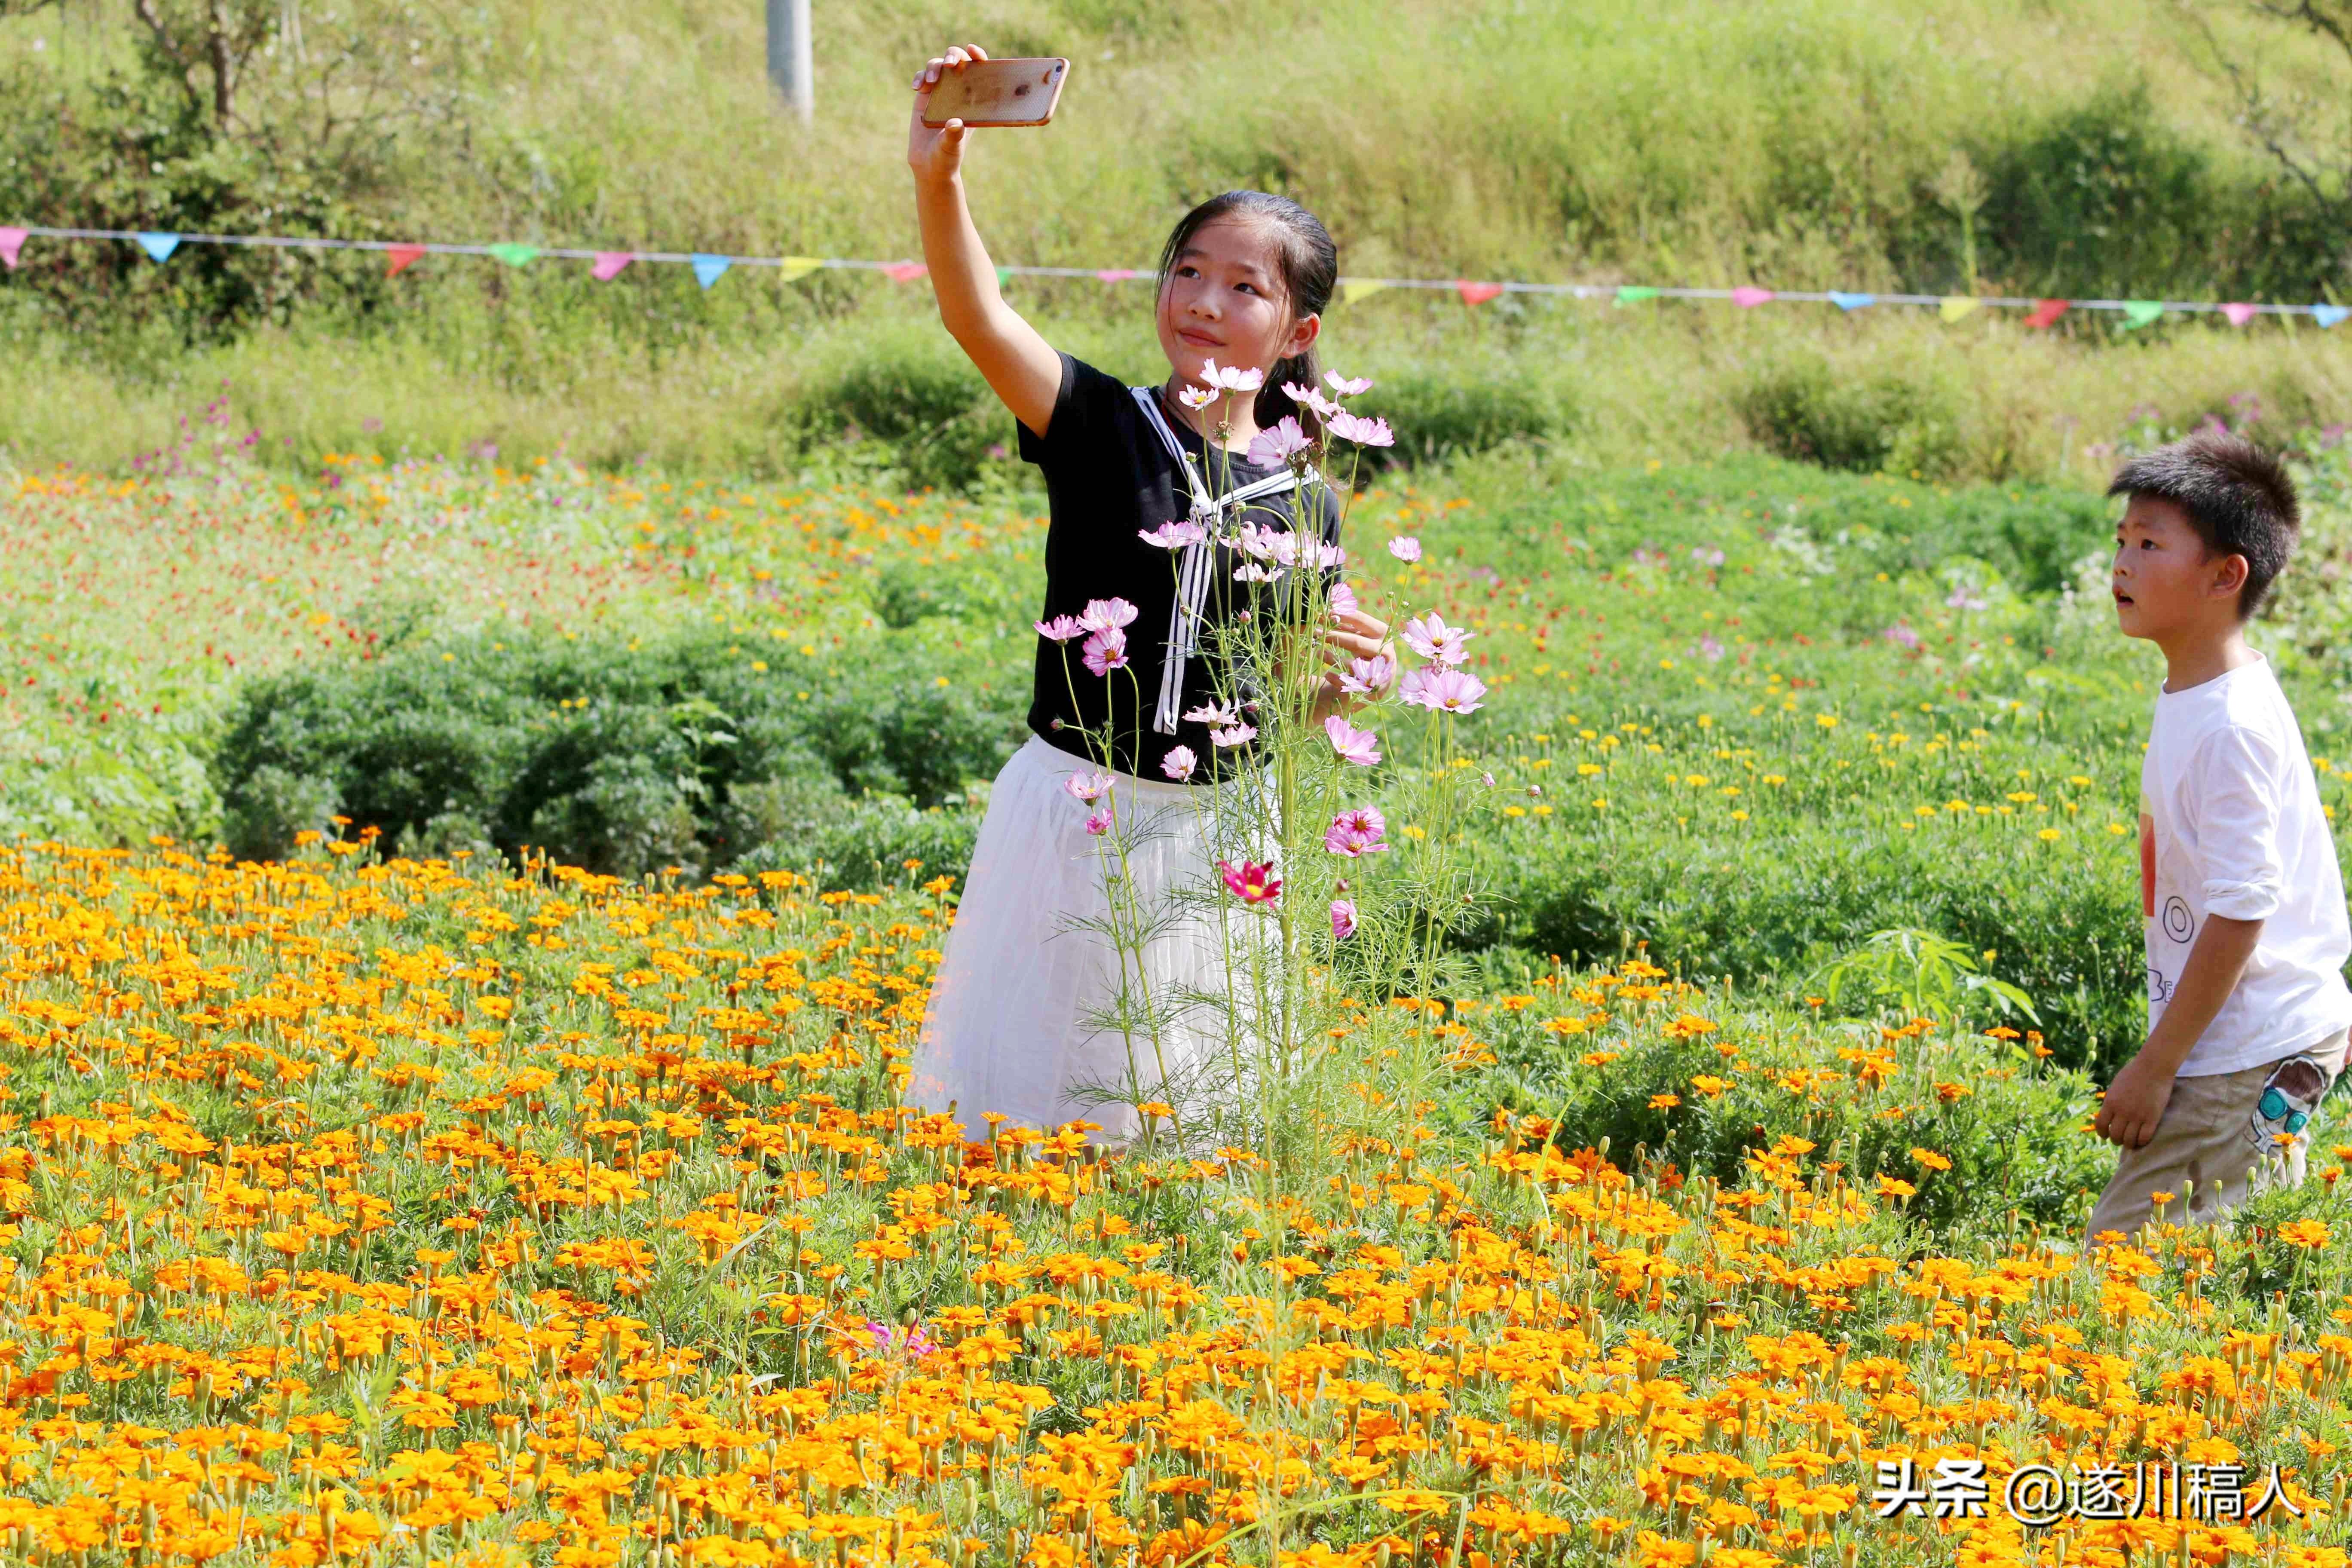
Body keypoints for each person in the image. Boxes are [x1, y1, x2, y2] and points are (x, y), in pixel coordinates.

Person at [900, 43, 1392, 1146]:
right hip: (1075, 808)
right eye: (1188, 272)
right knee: (1024, 1097)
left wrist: (1358, 678)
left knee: (1180, 1112)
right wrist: (942, 176)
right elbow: (976, 317)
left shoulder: (1305, 501)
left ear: (1298, 333)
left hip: (1217, 833)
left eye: (1244, 287)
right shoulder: (1101, 424)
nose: (1205, 303)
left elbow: (1293, 699)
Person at [2087, 429, 2352, 1240]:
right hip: (2262, 1033)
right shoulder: (2200, 694)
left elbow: (2242, 912)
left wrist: (2155, 1066)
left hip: (2245, 1046)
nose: (2122, 563)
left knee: (2120, 1262)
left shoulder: (2231, 725)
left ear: (2225, 575)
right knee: (2236, 1247)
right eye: (2122, 541)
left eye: (2150, 544)